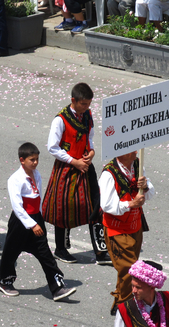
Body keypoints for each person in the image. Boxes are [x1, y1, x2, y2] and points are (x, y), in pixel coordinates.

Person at [0, 143, 77, 302]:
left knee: (45, 253)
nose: (35, 163)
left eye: (37, 159)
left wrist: (39, 219)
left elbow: (38, 198)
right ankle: (5, 282)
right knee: (11, 252)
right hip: (21, 222)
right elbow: (17, 207)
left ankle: (57, 287)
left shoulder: (37, 175)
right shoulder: (15, 179)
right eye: (31, 160)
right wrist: (31, 224)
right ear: (22, 160)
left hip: (36, 219)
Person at [42, 82, 100, 264]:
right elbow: (52, 147)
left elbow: (89, 136)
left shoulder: (87, 115)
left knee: (95, 205)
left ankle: (101, 250)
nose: (86, 108)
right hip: (67, 168)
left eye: (88, 104)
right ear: (73, 100)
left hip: (85, 166)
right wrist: (74, 162)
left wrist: (91, 152)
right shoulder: (60, 120)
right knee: (63, 208)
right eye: (83, 104)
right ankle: (60, 248)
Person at [99, 150, 154, 315]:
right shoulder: (109, 174)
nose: (135, 151)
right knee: (130, 270)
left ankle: (119, 301)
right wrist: (130, 204)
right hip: (117, 229)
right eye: (130, 148)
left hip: (135, 226)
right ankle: (126, 307)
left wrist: (145, 187)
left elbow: (150, 194)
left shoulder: (138, 164)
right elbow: (107, 205)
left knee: (126, 270)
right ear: (120, 152)